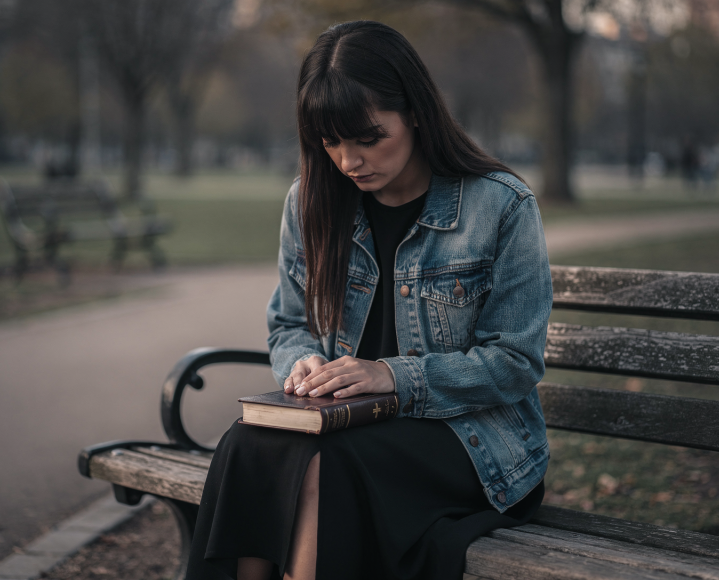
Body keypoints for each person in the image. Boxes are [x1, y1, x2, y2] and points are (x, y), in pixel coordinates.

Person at [186, 21, 552, 580]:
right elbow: (289, 323)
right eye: (330, 141)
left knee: (325, 467)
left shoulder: (500, 207)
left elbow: (514, 364)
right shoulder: (311, 201)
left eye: (367, 137)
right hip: (348, 429)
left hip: (473, 441)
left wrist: (393, 376)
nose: (347, 161)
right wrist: (302, 363)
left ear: (416, 114)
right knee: (246, 445)